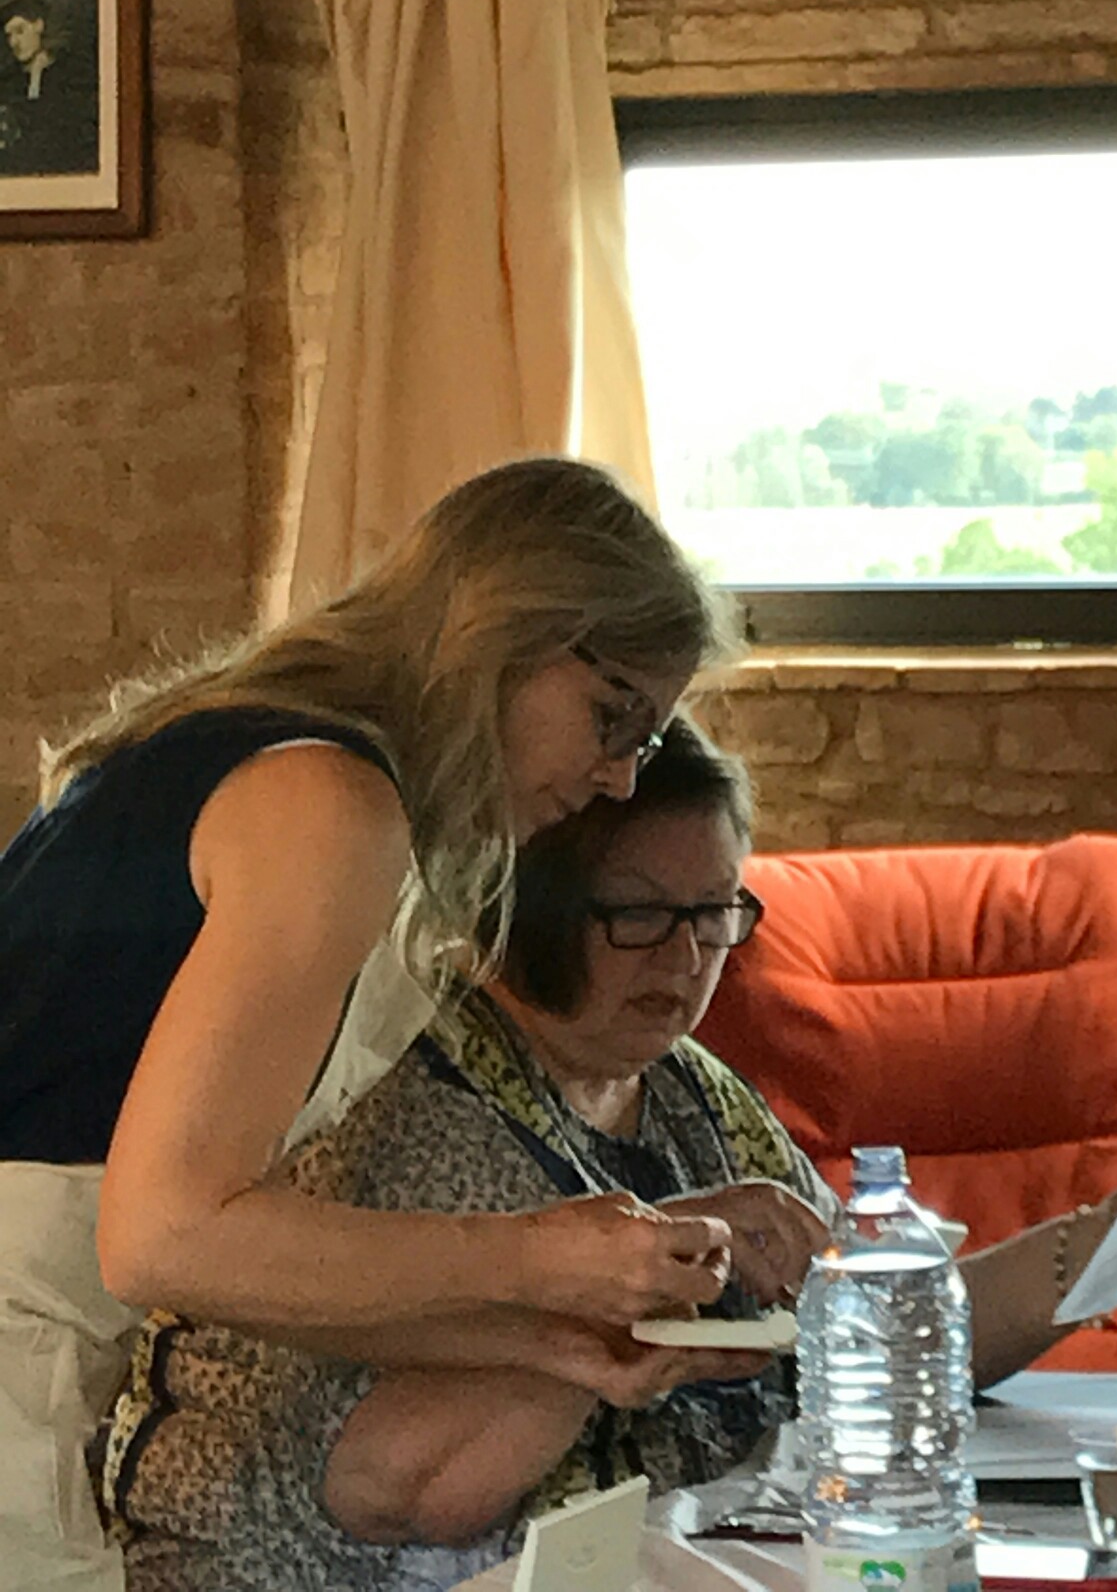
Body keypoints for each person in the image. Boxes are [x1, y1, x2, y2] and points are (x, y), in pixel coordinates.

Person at [98, 717, 1117, 1590]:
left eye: (715, 913)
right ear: (530, 903)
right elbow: (403, 1490)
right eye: (637, 916)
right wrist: (625, 1304)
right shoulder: (417, 1101)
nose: (684, 959)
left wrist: (1108, 1246)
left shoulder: (686, 1089)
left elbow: (866, 1332)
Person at [0, 457, 748, 1592]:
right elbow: (163, 1235)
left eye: (644, 742)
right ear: (501, 631)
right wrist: (541, 1253)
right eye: (613, 719)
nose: (617, 780)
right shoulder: (326, 803)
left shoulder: (272, 759)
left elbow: (235, 1257)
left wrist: (549, 1338)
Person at [0, 0, 99, 176]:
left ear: (39, 25)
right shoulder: (7, 83)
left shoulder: (71, 74)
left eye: (20, 31)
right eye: (9, 35)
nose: (14, 42)